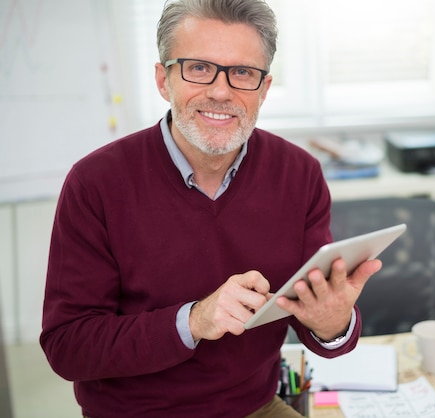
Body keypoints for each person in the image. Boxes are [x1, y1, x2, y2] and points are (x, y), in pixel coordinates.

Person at [39, 0, 382, 417]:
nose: (221, 91)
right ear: (163, 80)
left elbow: (313, 318)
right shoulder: (94, 183)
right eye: (198, 68)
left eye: (242, 73)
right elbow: (68, 347)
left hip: (254, 406)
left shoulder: (299, 173)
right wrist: (195, 321)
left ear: (264, 89)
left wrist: (331, 324)